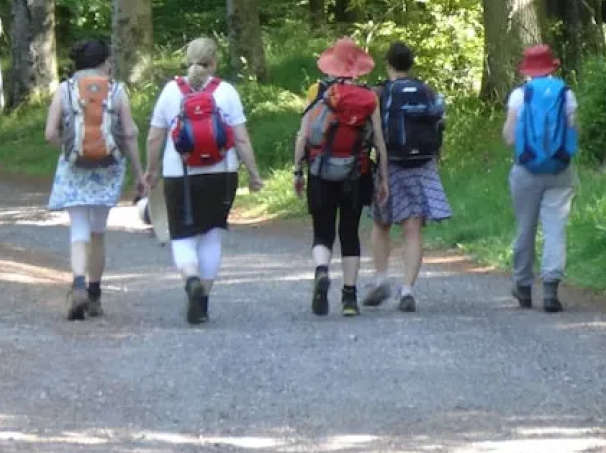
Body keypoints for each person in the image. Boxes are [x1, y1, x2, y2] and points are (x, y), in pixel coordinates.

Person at [142, 37, 264, 325]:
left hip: (179, 174)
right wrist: (254, 174)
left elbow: (154, 136)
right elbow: (241, 138)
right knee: (211, 235)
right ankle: (203, 302)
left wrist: (152, 169)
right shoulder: (227, 92)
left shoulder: (171, 91)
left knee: (183, 235)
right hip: (223, 174)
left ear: (187, 60)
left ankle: (191, 279)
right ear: (215, 62)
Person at [44, 38, 144, 321]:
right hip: (108, 169)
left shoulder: (64, 90)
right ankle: (95, 296)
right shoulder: (116, 91)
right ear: (104, 63)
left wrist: (69, 145)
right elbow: (129, 134)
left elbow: (50, 134)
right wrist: (139, 174)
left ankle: (77, 285)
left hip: (73, 168)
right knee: (98, 233)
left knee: (79, 230)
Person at [293, 37, 389, 317]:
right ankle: (349, 298)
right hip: (356, 174)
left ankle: (322, 270)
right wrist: (383, 179)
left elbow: (303, 135)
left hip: (321, 172)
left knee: (322, 231)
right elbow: (379, 142)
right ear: (358, 68)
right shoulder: (370, 98)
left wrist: (297, 171)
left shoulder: (318, 91)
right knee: (349, 233)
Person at [363, 42, 451, 313]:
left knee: (381, 223)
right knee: (413, 230)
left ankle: (380, 278)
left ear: (388, 64)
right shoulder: (426, 90)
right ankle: (408, 289)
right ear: (411, 64)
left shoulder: (380, 92)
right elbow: (439, 123)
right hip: (422, 166)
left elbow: (371, 131)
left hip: (391, 166)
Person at [502, 44, 580, 313]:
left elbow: (509, 136)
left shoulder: (519, 96)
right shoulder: (566, 94)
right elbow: (573, 131)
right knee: (555, 230)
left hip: (526, 172)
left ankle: (523, 286)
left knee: (526, 228)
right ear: (552, 67)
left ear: (527, 70)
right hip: (561, 171)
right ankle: (550, 290)